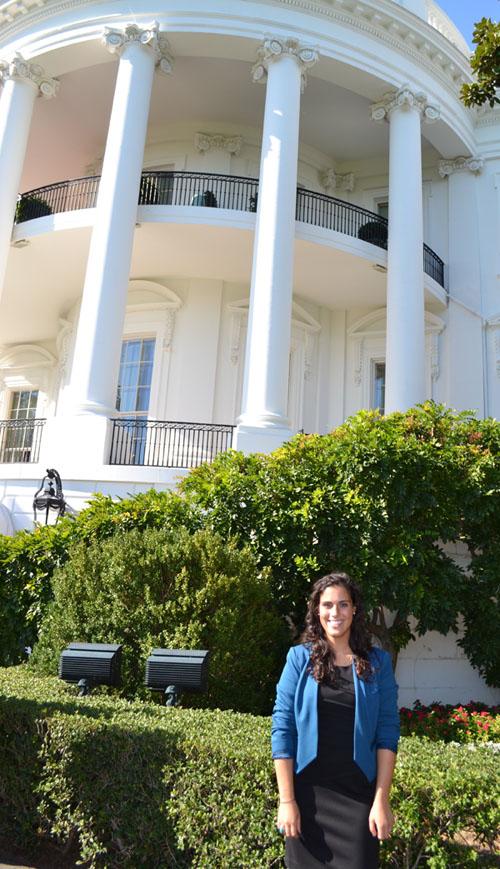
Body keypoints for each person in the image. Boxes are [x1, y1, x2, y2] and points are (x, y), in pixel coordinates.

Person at [272, 572, 400, 869]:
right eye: (327, 605)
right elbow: (283, 729)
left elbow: (387, 733)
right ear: (317, 610)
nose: (335, 612)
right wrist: (287, 801)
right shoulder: (298, 659)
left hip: (358, 798)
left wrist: (381, 800)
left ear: (354, 609)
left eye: (343, 604)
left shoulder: (378, 663)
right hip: (307, 798)